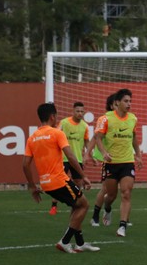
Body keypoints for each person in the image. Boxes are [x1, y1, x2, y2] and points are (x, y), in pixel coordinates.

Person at [22, 103, 99, 253]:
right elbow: (70, 156)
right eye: (56, 116)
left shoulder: (32, 138)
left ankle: (80, 243)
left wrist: (32, 186)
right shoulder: (57, 133)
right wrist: (83, 175)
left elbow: (25, 165)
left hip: (45, 184)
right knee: (83, 205)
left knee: (76, 206)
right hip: (59, 180)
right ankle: (64, 241)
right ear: (52, 117)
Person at [94, 88, 143, 237]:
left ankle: (122, 226)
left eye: (130, 101)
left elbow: (134, 137)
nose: (129, 104)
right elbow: (98, 137)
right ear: (117, 103)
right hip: (111, 163)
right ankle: (107, 209)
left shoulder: (133, 119)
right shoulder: (105, 119)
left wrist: (138, 155)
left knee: (126, 193)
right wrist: (103, 153)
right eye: (126, 101)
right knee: (110, 195)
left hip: (127, 162)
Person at [49, 101, 90, 215]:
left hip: (77, 159)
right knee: (59, 181)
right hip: (63, 158)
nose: (80, 113)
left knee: (78, 182)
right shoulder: (64, 123)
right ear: (73, 111)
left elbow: (87, 142)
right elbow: (55, 135)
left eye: (82, 111)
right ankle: (54, 205)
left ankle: (75, 204)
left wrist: (89, 155)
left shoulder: (85, 126)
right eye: (78, 111)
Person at [86, 93, 116, 227]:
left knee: (126, 189)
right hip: (107, 159)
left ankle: (123, 219)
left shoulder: (125, 119)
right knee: (105, 189)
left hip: (122, 159)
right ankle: (95, 216)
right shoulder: (105, 119)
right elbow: (95, 138)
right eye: (116, 103)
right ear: (111, 105)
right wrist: (88, 153)